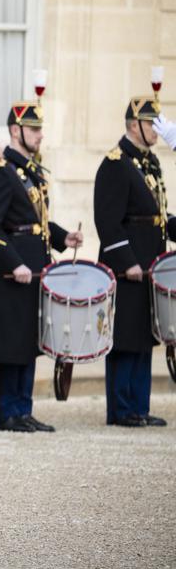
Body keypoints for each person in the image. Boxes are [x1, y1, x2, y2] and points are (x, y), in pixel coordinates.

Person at [0, 100, 82, 432]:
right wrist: (13, 262)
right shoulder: (0, 172)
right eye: (34, 129)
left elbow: (37, 223)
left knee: (28, 340)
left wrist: (64, 238)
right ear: (15, 131)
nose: (39, 135)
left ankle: (23, 408)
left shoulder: (30, 173)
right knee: (10, 342)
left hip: (35, 267)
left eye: (40, 129)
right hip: (13, 271)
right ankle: (6, 412)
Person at [93, 90, 175, 427]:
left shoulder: (148, 162)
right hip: (129, 265)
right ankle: (121, 408)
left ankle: (139, 405)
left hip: (151, 260)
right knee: (125, 337)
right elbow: (107, 221)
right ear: (133, 125)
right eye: (150, 123)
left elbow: (156, 215)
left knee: (145, 335)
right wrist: (126, 261)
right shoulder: (116, 164)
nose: (156, 129)